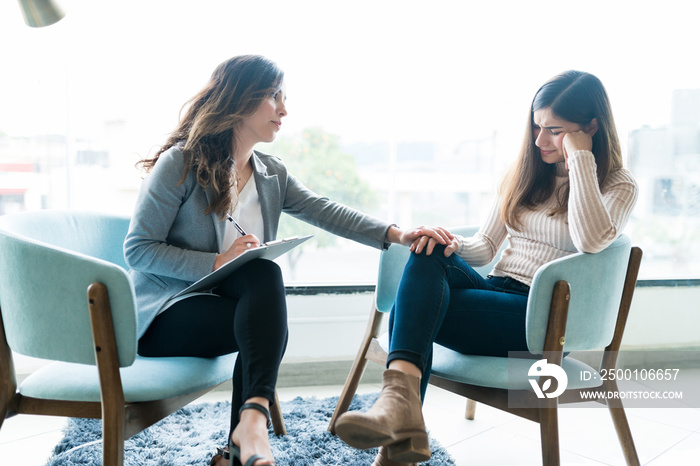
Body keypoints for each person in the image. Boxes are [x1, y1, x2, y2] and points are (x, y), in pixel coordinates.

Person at [123, 55, 448, 466]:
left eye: (284, 97)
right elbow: (138, 249)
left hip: (229, 310)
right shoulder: (181, 164)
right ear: (240, 100)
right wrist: (218, 262)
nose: (284, 109)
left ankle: (246, 434)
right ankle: (247, 435)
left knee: (261, 282)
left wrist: (398, 234)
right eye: (274, 96)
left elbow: (325, 210)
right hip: (165, 317)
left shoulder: (270, 173)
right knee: (262, 301)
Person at [334, 70, 639, 466]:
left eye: (554, 130)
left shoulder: (617, 184)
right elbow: (486, 246)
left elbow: (591, 239)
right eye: (536, 127)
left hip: (544, 322)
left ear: (590, 127)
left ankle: (399, 429)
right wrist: (452, 244)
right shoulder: (525, 173)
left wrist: (579, 158)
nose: (539, 140)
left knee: (409, 313)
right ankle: (400, 413)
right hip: (495, 291)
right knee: (427, 254)